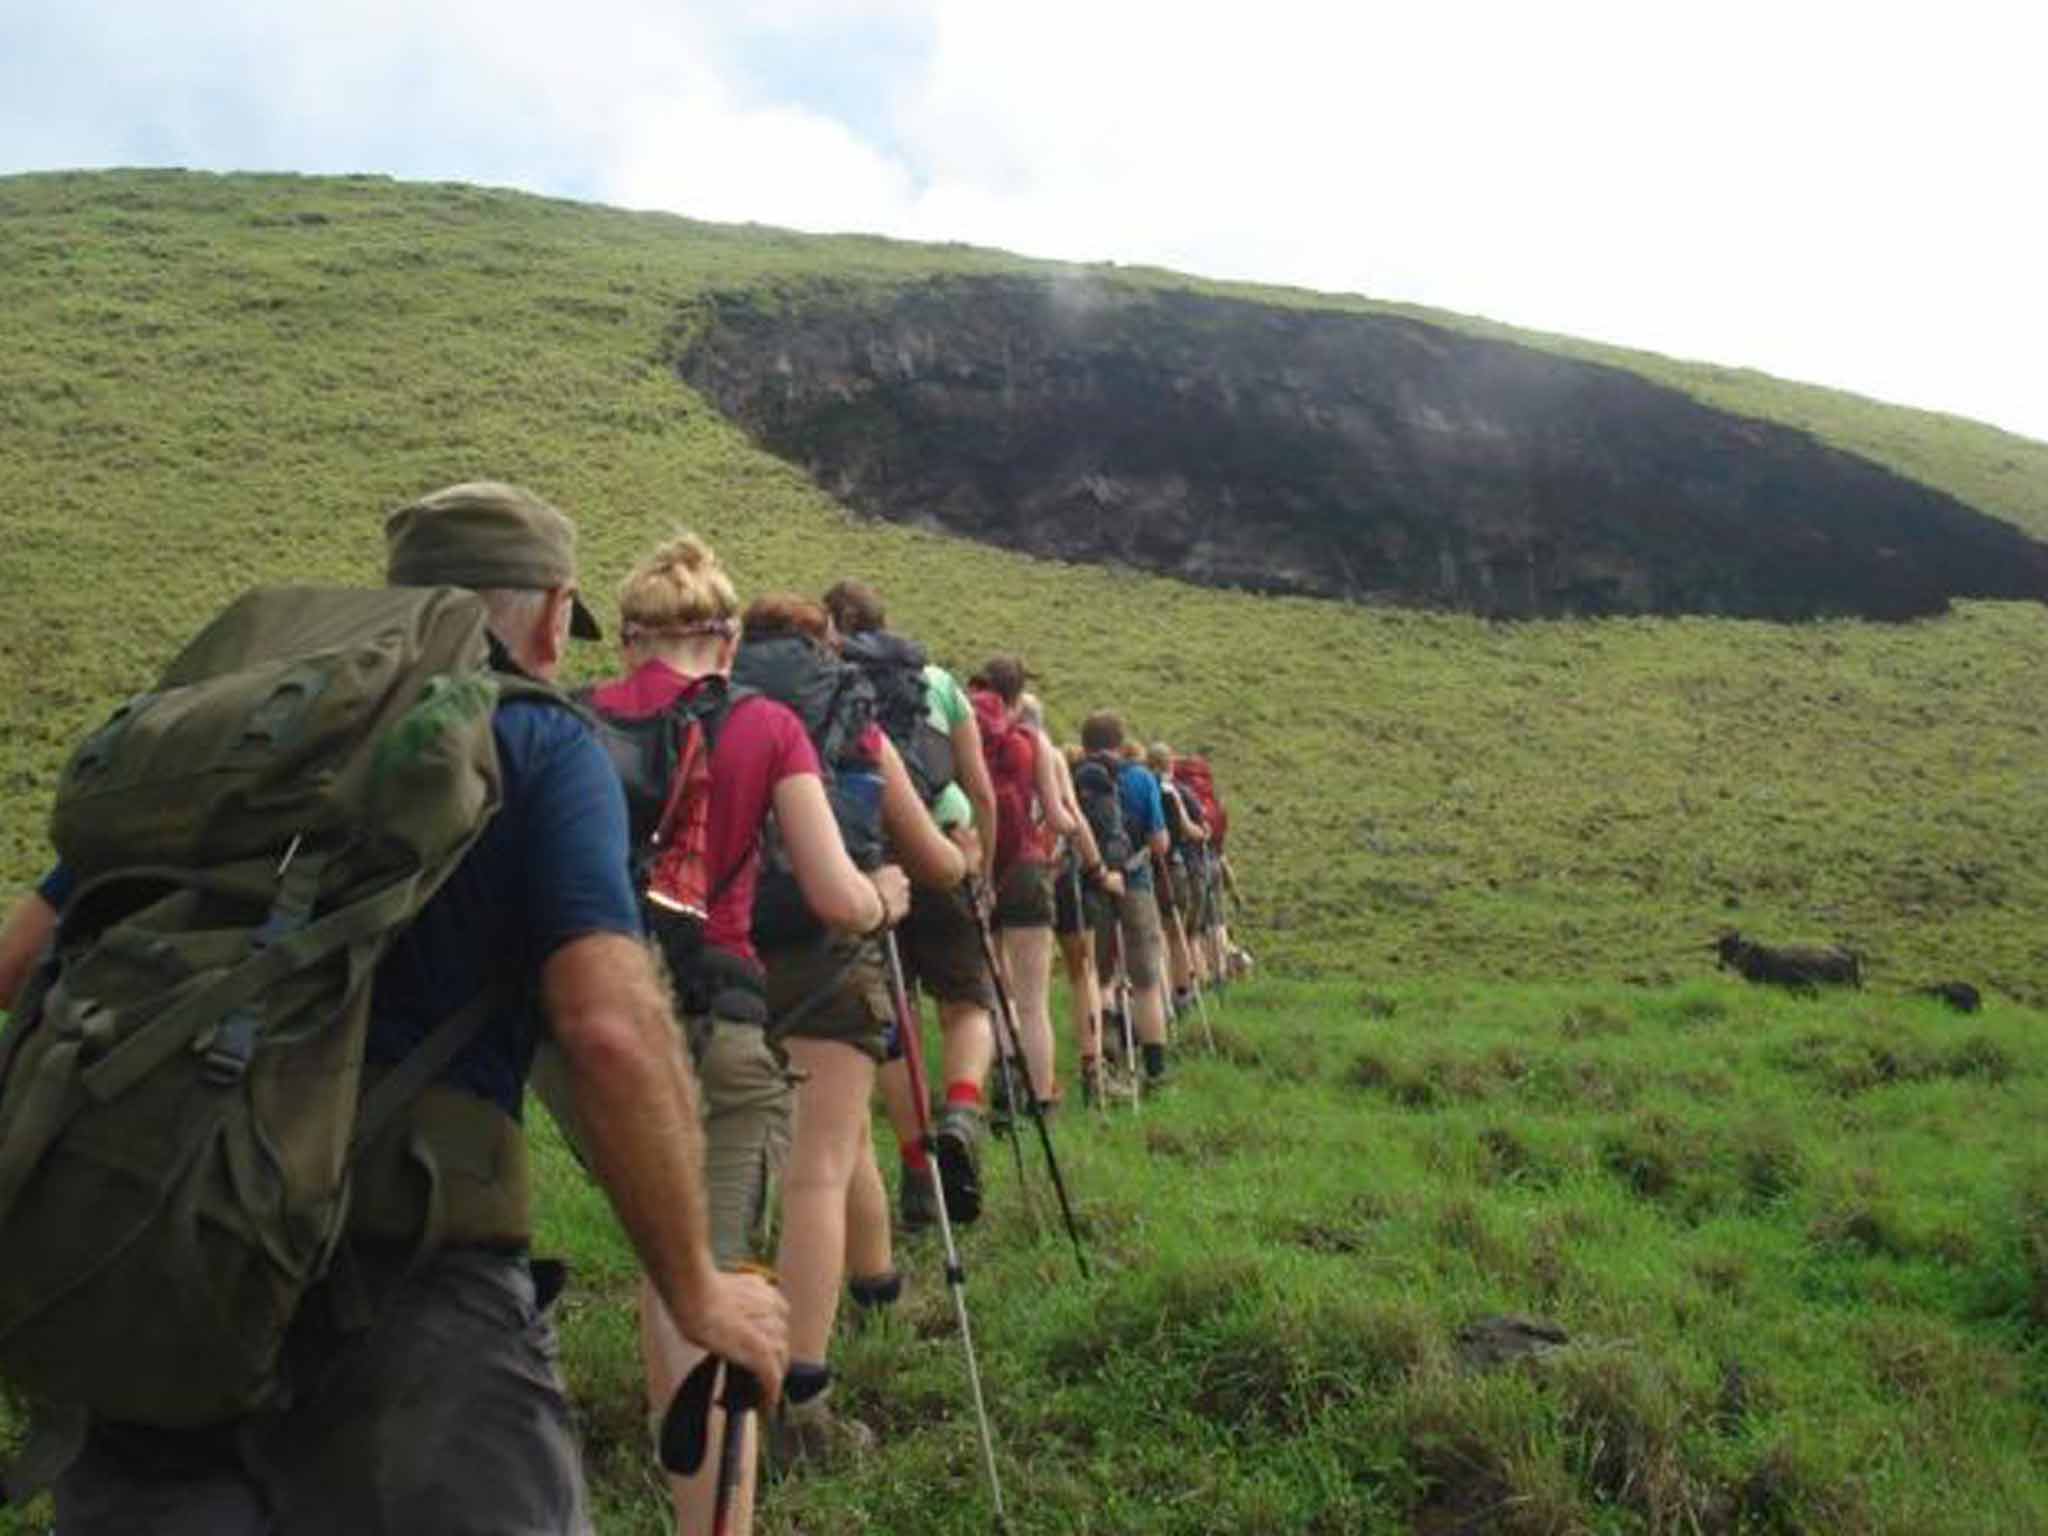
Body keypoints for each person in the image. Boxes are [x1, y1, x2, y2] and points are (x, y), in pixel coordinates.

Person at [28, 481, 789, 1536]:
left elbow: (24, 960)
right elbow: (610, 1026)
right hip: (408, 1288)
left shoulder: (249, 740)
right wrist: (696, 1288)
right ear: (547, 611)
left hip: (164, 1254)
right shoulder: (537, 740)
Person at [564, 545, 906, 1534]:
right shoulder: (766, 724)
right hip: (720, 1022)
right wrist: (883, 899)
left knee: (660, 1255)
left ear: (629, 635)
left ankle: (676, 1432)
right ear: (724, 638)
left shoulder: (578, 720)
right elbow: (838, 895)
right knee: (704, 1269)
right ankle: (711, 1513)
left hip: (602, 1022)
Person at [731, 595, 961, 1474]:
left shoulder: (715, 704)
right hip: (834, 953)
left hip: (724, 956)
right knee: (819, 1167)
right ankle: (803, 1400)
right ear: (825, 647)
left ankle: (875, 1287)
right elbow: (933, 861)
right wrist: (957, 857)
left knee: (788, 1156)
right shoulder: (857, 717)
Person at [819, 581, 1000, 1233]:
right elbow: (978, 785)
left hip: (866, 853)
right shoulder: (939, 682)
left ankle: (919, 1174)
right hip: (946, 839)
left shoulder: (824, 678)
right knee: (966, 1002)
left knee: (894, 1022)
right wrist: (985, 868)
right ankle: (962, 1112)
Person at [969, 660, 1075, 1114]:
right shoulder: (1035, 742)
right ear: (1018, 695)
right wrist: (1071, 831)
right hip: (1028, 871)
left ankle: (1002, 1090)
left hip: (977, 870)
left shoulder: (965, 732)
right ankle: (1041, 1098)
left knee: (995, 992)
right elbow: (1056, 816)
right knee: (1033, 1002)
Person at [1082, 710, 1173, 1090]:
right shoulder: (1141, 778)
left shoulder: (1078, 776)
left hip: (1093, 885)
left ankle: (1106, 1060)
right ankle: (1155, 1071)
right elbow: (1159, 842)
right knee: (1146, 980)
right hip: (1135, 883)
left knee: (1097, 976)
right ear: (1121, 742)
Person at [1051, 743, 1123, 1107]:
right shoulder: (1044, 759)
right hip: (1063, 879)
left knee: (1017, 984)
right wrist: (1098, 873)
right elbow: (1073, 821)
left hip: (1006, 877)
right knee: (1084, 974)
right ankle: (1093, 1070)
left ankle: (1017, 1078)